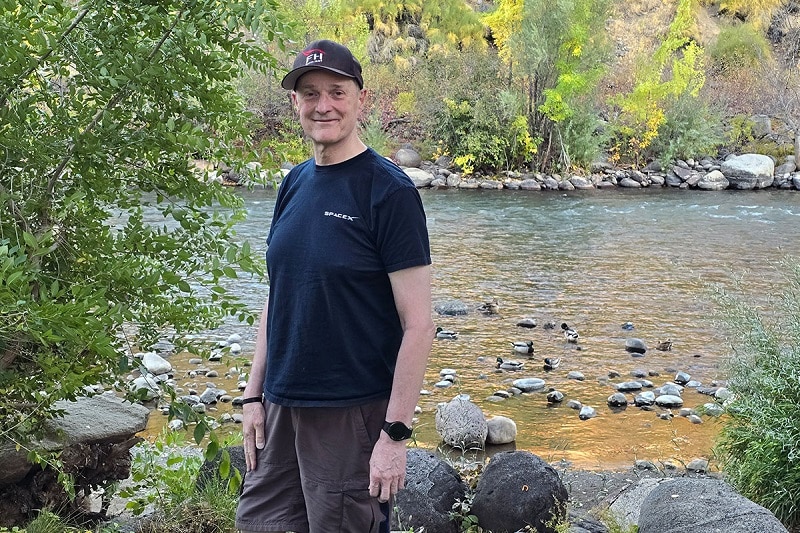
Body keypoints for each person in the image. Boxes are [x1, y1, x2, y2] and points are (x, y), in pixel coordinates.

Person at [235, 39, 435, 533]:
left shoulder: (389, 191)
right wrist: (253, 396)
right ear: (295, 103)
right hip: (281, 406)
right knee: (258, 523)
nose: (323, 105)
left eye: (336, 92)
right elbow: (278, 296)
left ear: (361, 99)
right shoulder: (294, 183)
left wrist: (394, 436)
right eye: (310, 93)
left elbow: (419, 325)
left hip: (350, 413)